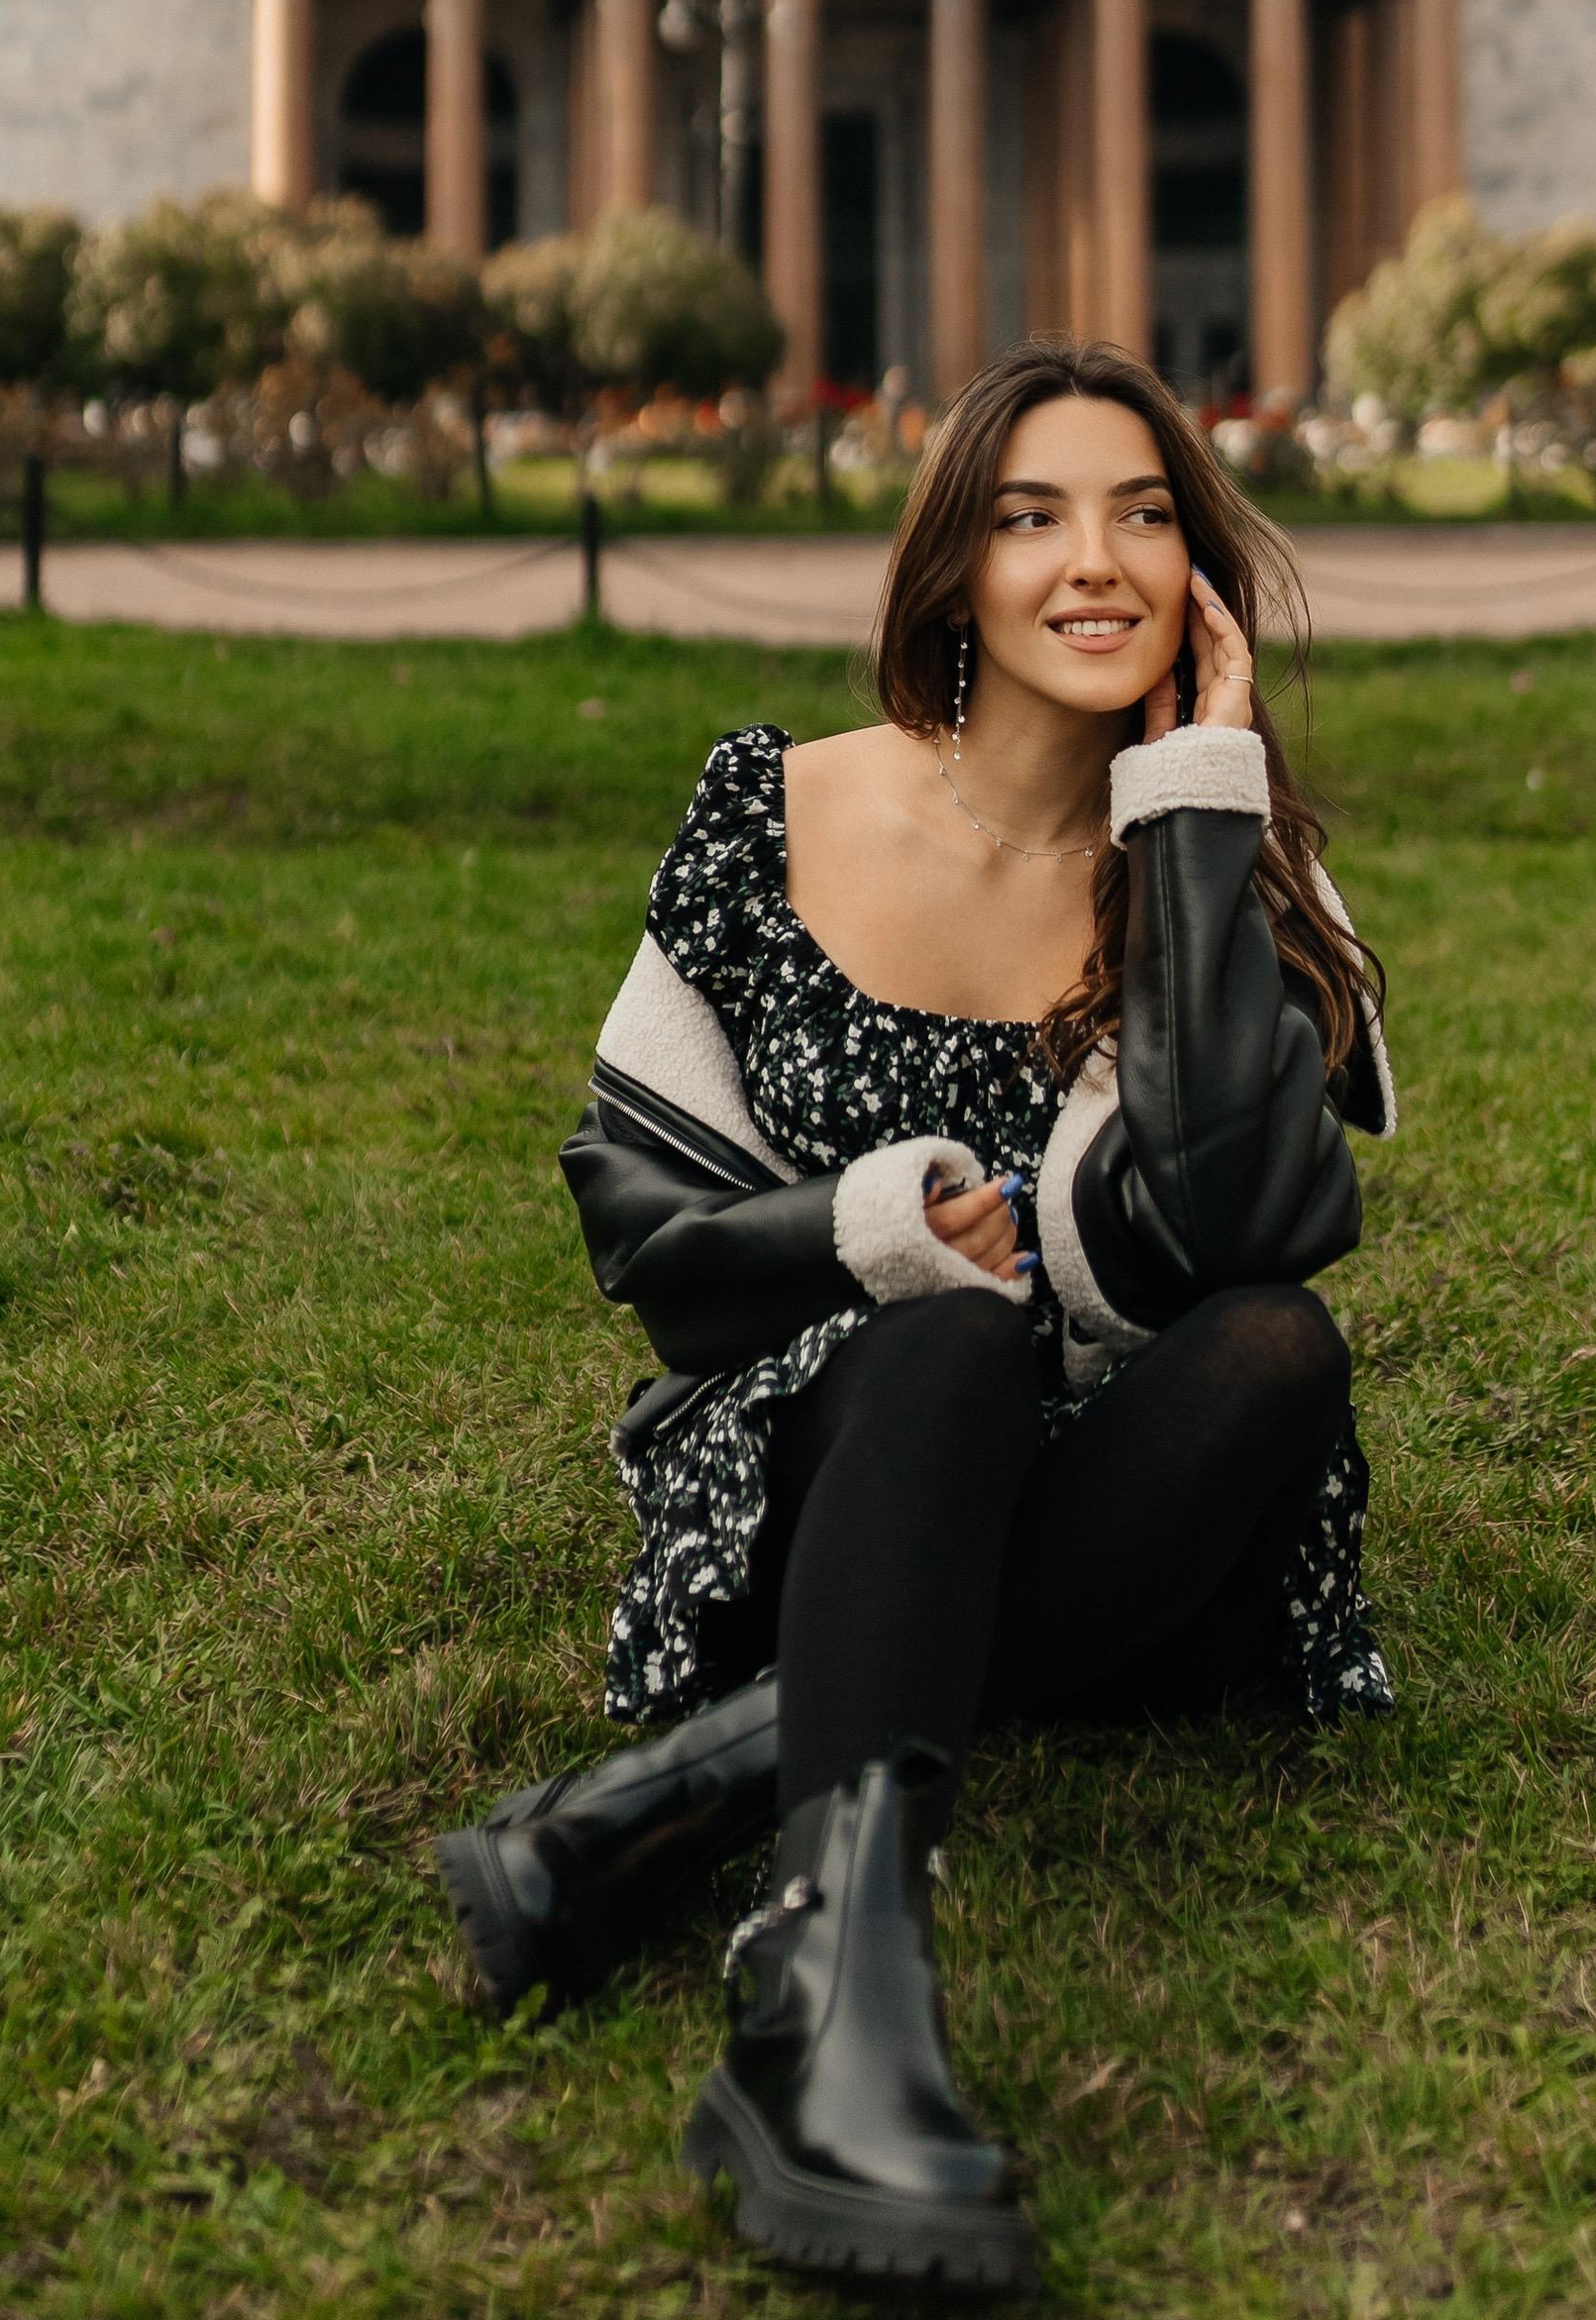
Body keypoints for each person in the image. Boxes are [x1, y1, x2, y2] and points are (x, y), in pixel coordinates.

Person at [433, 340, 1395, 2294]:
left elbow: (1242, 1222)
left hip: (1125, 1531)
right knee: (944, 1341)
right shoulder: (773, 811)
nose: (1092, 560)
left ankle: (676, 1792)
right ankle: (827, 1995)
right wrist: (870, 1227)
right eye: (1032, 515)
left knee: (1281, 1352)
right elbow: (641, 1237)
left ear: (1197, 571)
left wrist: (1196, 804)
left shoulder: (1230, 852)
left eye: (1141, 512)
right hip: (825, 1474)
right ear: (955, 564)